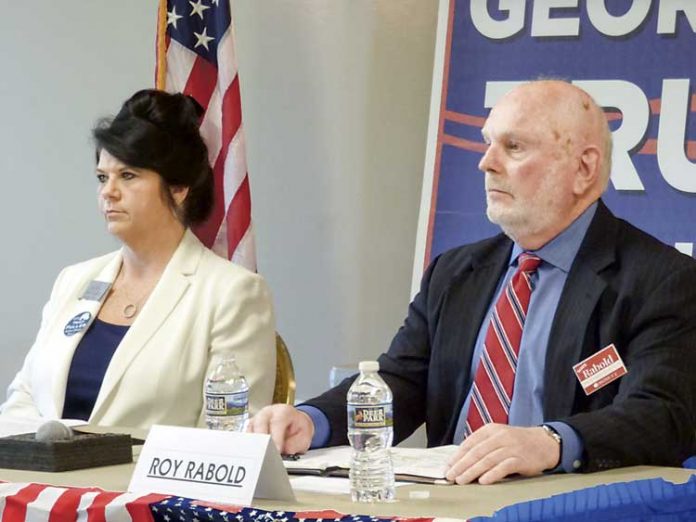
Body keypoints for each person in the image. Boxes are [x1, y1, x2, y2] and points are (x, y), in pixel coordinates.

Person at [249, 80, 696, 484]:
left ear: (584, 169)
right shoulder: (456, 272)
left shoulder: (662, 280)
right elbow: (402, 382)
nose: (486, 163)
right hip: (452, 500)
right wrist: (312, 421)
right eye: (487, 144)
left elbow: (662, 415)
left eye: (514, 147)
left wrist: (550, 443)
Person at [1, 90, 276, 429]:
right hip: (46, 478)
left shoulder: (233, 293)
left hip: (153, 482)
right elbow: (24, 399)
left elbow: (225, 438)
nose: (108, 192)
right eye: (103, 177)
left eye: (128, 176)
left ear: (179, 188)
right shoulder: (73, 280)